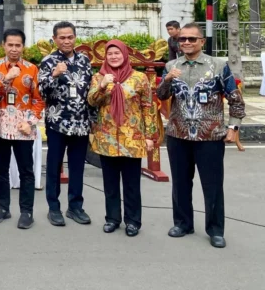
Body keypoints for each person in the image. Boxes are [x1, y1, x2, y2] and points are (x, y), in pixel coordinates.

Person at [157, 22, 246, 249]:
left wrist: (233, 127)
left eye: (191, 39)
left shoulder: (217, 66)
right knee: (180, 183)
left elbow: (235, 99)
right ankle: (183, 223)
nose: (186, 42)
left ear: (202, 42)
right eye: (182, 39)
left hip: (210, 136)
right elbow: (161, 95)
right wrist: (166, 79)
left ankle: (215, 229)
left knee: (212, 185)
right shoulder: (171, 65)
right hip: (178, 134)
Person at [88, 40, 159, 237]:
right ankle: (112, 219)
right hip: (107, 138)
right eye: (109, 54)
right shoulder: (98, 77)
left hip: (133, 138)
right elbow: (92, 101)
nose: (113, 57)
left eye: (117, 53)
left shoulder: (140, 78)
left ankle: (133, 221)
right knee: (109, 183)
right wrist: (102, 85)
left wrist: (150, 135)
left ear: (125, 55)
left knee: (131, 183)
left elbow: (148, 107)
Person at [38, 21, 94, 227]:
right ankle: (54, 207)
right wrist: (54, 75)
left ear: (75, 38)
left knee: (78, 167)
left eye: (70, 37)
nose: (66, 41)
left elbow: (91, 90)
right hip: (57, 123)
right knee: (54, 166)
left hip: (81, 123)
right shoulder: (48, 61)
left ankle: (75, 206)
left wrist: (93, 120)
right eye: (62, 37)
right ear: (55, 39)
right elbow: (42, 92)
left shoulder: (84, 60)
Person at [0, 28, 43, 230]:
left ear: (23, 47)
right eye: (10, 45)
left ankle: (26, 211)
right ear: (3, 45)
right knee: (1, 169)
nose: (13, 49)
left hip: (23, 128)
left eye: (17, 45)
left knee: (26, 171)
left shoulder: (32, 69)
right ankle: (3, 207)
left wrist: (30, 122)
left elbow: (38, 100)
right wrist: (7, 78)